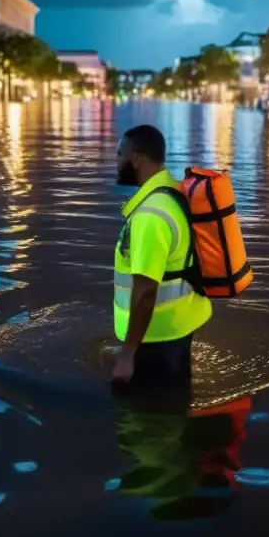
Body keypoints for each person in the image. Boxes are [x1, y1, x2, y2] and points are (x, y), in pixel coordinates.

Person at [112, 125, 212, 390]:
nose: (117, 161)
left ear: (136, 158)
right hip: (177, 328)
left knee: (144, 423)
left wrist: (127, 354)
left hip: (153, 339)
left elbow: (145, 291)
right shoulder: (173, 193)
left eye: (120, 154)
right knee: (172, 405)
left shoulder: (150, 215)